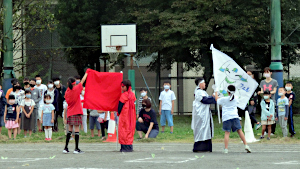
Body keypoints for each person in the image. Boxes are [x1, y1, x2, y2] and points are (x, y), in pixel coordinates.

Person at [215, 85, 251, 153]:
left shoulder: (224, 99)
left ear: (228, 91)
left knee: (227, 132)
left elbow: (217, 100)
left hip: (227, 117)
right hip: (235, 116)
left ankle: (226, 149)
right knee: (240, 131)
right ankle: (246, 145)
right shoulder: (236, 98)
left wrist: (216, 92)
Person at [63, 73, 88, 154]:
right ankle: (76, 148)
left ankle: (66, 148)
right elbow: (83, 81)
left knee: (69, 131)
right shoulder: (76, 89)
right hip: (76, 111)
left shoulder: (67, 92)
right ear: (75, 83)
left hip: (70, 112)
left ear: (67, 83)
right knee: (76, 130)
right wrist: (87, 73)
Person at [192, 78, 215, 152]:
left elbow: (208, 99)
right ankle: (200, 147)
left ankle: (206, 147)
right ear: (200, 84)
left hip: (205, 115)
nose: (205, 84)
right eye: (204, 82)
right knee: (201, 130)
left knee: (206, 130)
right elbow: (205, 100)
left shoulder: (202, 92)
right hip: (201, 116)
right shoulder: (198, 92)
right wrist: (214, 97)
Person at [258, 67, 278, 135]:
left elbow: (274, 91)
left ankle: (272, 131)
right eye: (265, 72)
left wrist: (268, 94)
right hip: (264, 101)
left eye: (268, 72)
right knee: (265, 114)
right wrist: (261, 93)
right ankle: (266, 130)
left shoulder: (274, 81)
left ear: (271, 73)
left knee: (272, 114)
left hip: (271, 100)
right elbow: (261, 91)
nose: (266, 74)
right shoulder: (262, 82)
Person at [118, 80, 136, 152]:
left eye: (123, 86)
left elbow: (120, 106)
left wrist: (118, 113)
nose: (122, 88)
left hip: (125, 115)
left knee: (123, 129)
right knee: (130, 128)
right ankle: (129, 146)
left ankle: (124, 147)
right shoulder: (133, 95)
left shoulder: (123, 95)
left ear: (127, 86)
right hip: (131, 115)